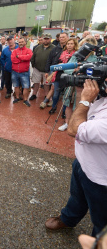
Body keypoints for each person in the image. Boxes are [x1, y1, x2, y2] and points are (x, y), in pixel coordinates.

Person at [45, 78, 107, 237]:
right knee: (77, 197)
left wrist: (85, 100)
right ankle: (68, 218)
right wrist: (82, 93)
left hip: (102, 179)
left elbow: (74, 129)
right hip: (83, 162)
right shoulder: (103, 97)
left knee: (102, 221)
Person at [45, 32, 69, 114]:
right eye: (60, 37)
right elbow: (49, 60)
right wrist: (47, 71)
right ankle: (54, 107)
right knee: (55, 92)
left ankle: (64, 111)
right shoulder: (55, 49)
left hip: (67, 74)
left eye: (63, 37)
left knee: (67, 94)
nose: (62, 38)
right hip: (56, 73)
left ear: (67, 38)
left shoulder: (71, 51)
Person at [30, 33, 55, 106]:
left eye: (47, 38)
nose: (46, 40)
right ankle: (34, 94)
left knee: (46, 84)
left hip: (47, 70)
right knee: (36, 82)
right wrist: (34, 65)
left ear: (50, 39)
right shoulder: (38, 47)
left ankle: (46, 96)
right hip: (37, 69)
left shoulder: (53, 48)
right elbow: (33, 57)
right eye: (45, 38)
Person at [11, 36, 33, 107]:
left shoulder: (29, 50)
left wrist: (19, 56)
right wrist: (23, 58)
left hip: (24, 72)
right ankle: (17, 97)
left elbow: (29, 57)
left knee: (26, 87)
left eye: (22, 42)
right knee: (16, 86)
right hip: (15, 72)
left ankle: (25, 99)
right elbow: (13, 59)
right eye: (19, 42)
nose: (20, 43)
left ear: (25, 42)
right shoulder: (15, 51)